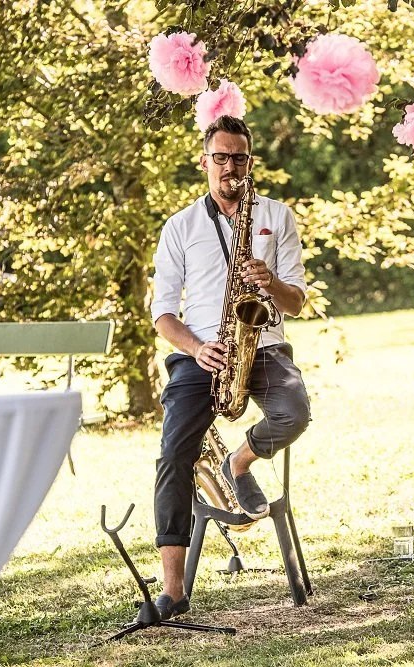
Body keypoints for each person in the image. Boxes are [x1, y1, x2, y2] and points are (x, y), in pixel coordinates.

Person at [149, 115, 310, 619]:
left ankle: (237, 461)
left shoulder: (277, 216)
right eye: (221, 157)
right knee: (173, 455)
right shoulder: (180, 226)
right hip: (204, 352)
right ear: (205, 162)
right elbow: (162, 313)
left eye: (239, 158)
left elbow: (298, 300)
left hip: (263, 344)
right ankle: (172, 590)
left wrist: (268, 282)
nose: (230, 167)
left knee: (295, 412)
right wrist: (197, 348)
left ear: (250, 162)